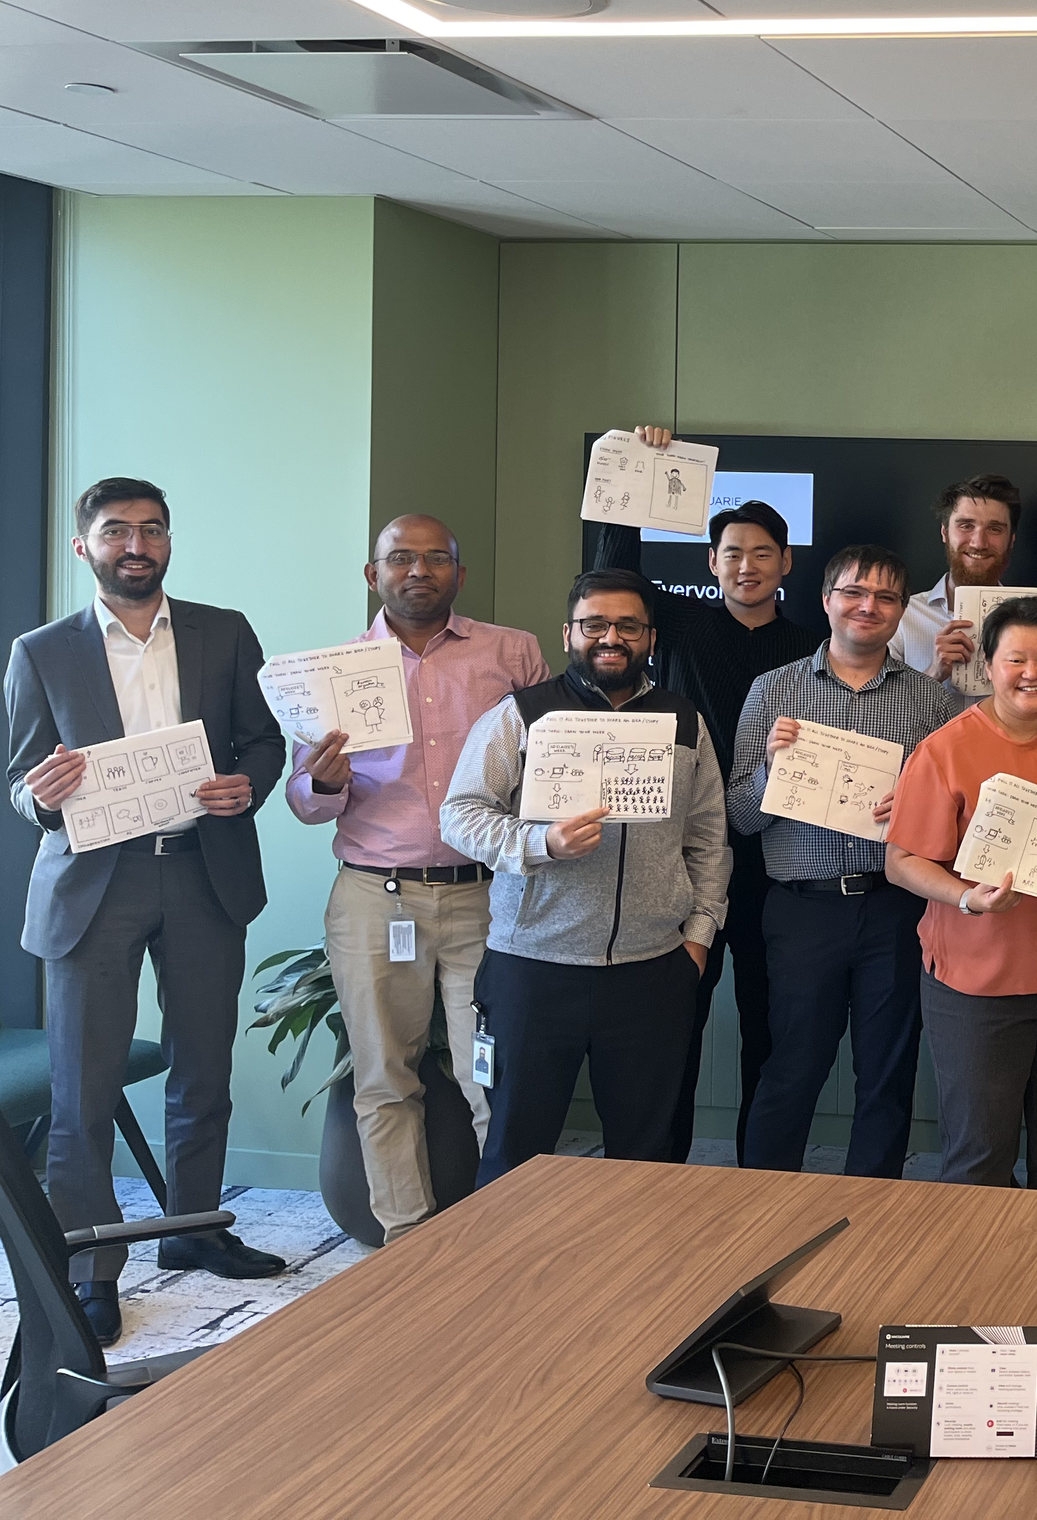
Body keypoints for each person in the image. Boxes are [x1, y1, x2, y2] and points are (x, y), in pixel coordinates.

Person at [6, 478, 288, 1343]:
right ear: (82, 544)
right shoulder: (43, 649)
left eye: (153, 529)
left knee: (203, 1069)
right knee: (81, 1094)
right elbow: (20, 782)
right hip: (97, 882)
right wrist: (42, 796)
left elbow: (264, 739)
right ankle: (90, 1266)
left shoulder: (224, 629)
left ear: (169, 541)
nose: (138, 543)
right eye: (117, 530)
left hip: (204, 871)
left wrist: (251, 784)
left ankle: (193, 1230)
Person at [285, 514, 546, 1243]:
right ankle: (406, 1240)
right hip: (375, 895)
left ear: (459, 575)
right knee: (383, 1078)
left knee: (488, 1074)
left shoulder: (512, 653)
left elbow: (550, 762)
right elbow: (303, 801)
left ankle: (505, 1234)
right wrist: (325, 780)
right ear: (374, 574)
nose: (419, 570)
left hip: (487, 896)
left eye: (437, 558)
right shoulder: (333, 671)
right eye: (400, 558)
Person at [440, 569, 730, 1183]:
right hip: (534, 968)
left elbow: (707, 839)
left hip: (652, 970)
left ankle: (634, 1276)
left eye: (628, 625)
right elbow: (459, 816)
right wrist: (540, 841)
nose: (611, 637)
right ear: (568, 633)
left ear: (650, 637)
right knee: (517, 1145)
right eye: (595, 623)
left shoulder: (684, 721)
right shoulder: (521, 716)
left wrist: (698, 939)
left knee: (645, 1152)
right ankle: (508, 1276)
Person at [593, 427, 823, 1164]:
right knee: (675, 1019)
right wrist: (641, 464)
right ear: (710, 563)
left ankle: (763, 1171)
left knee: (771, 1026)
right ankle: (663, 1166)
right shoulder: (681, 625)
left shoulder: (812, 648)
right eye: (732, 553)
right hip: (685, 853)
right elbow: (611, 570)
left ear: (786, 562)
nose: (747, 565)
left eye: (762, 552)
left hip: (779, 860)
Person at [728, 545, 962, 1175]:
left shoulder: (930, 704)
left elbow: (956, 820)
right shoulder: (771, 691)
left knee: (887, 1072)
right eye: (855, 593)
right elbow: (738, 818)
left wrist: (914, 805)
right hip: (802, 911)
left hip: (895, 908)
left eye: (886, 598)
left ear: (901, 611)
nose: (869, 607)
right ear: (826, 601)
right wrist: (772, 772)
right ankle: (761, 1205)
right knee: (792, 1066)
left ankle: (872, 1212)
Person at [884, 597, 1037, 1192]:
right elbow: (902, 861)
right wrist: (970, 899)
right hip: (976, 983)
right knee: (980, 1151)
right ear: (989, 666)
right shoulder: (946, 749)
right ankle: (979, 1280)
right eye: (1016, 658)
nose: (1032, 672)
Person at [895, 474, 1021, 696]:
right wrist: (933, 674)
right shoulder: (902, 617)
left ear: (1011, 539)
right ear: (945, 532)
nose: (978, 543)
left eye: (995, 529)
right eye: (966, 525)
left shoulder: (1031, 621)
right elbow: (878, 712)